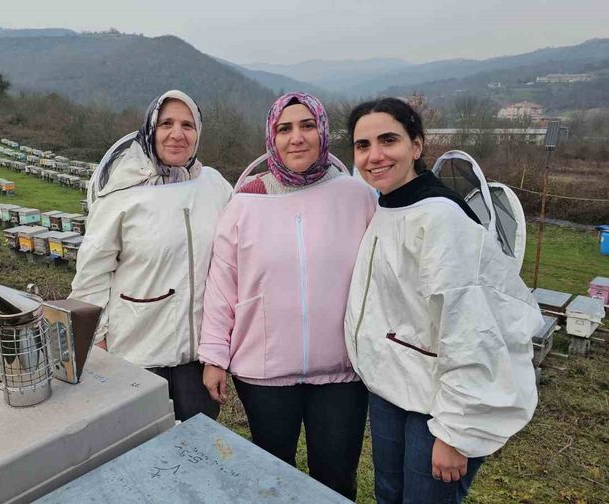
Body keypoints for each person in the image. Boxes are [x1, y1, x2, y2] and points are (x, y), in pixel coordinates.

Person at [343, 97, 542, 504]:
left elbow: (472, 330)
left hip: (437, 405)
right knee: (389, 495)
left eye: (388, 140)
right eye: (363, 145)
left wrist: (457, 432)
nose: (374, 155)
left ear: (416, 145)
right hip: (393, 388)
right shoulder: (390, 206)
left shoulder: (439, 218)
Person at [197, 92, 377, 501]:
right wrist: (214, 357)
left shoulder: (357, 196)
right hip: (264, 372)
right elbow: (221, 287)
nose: (296, 138)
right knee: (272, 478)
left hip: (342, 372)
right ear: (271, 137)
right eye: (285, 128)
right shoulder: (245, 202)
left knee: (335, 480)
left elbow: (379, 281)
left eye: (307, 126)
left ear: (323, 132)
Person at [69, 90, 232, 421]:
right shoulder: (122, 192)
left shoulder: (214, 186)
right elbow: (92, 273)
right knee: (140, 453)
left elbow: (237, 253)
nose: (177, 134)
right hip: (135, 353)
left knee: (196, 451)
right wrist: (95, 341)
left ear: (198, 133)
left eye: (187, 125)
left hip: (197, 358)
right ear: (150, 129)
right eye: (166, 123)